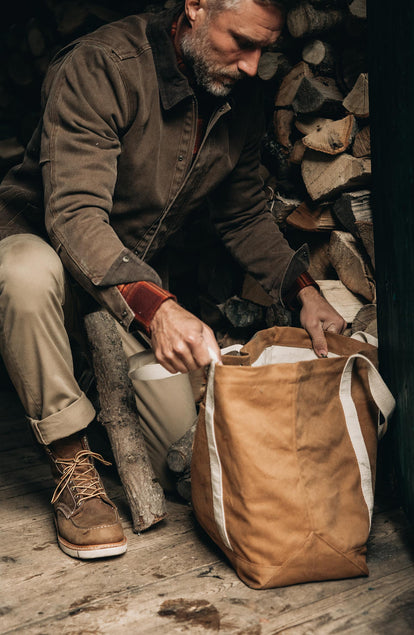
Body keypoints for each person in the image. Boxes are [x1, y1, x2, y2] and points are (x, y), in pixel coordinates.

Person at [0, 0, 345, 560]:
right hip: (47, 259)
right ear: (196, 6)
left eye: (265, 48)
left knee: (180, 464)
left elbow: (244, 215)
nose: (254, 66)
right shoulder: (101, 66)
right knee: (22, 272)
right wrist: (159, 309)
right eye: (240, 41)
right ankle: (72, 469)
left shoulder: (240, 91)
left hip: (121, 286)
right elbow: (74, 216)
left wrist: (303, 291)